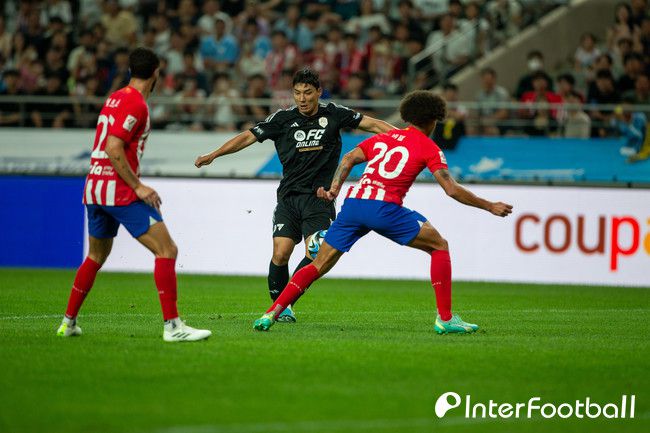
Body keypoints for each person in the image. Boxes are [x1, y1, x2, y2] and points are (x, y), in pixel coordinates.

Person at [252, 90, 513, 334]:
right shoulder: (429, 147)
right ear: (433, 119)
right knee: (439, 245)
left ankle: (271, 313)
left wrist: (334, 190)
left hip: (354, 205)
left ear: (407, 116)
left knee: (318, 263)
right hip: (383, 208)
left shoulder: (384, 138)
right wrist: (489, 205)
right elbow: (452, 189)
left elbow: (349, 158)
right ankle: (445, 319)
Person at [195, 68, 395, 322]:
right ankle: (282, 308)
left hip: (319, 199)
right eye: (297, 93)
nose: (302, 98)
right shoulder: (282, 119)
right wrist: (214, 154)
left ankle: (282, 305)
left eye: (308, 93)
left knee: (316, 252)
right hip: (288, 198)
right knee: (281, 253)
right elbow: (247, 137)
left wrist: (403, 138)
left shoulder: (334, 113)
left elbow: (373, 124)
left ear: (319, 92)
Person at [56, 47, 211, 342]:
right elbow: (113, 147)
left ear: (130, 71)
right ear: (156, 73)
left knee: (96, 255)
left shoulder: (114, 97)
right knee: (167, 250)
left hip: (94, 188)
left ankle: (68, 322)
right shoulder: (136, 103)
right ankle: (173, 327)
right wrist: (138, 186)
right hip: (119, 191)